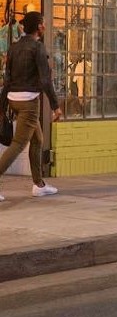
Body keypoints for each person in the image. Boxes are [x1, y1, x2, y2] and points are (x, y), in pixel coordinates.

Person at [0, 11, 62, 199]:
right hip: (28, 102)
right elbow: (45, 80)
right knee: (18, 144)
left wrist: (2, 106)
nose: (44, 26)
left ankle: (39, 184)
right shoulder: (38, 47)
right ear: (38, 27)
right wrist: (55, 106)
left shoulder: (14, 47)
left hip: (14, 100)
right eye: (42, 23)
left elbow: (7, 78)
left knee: (38, 140)